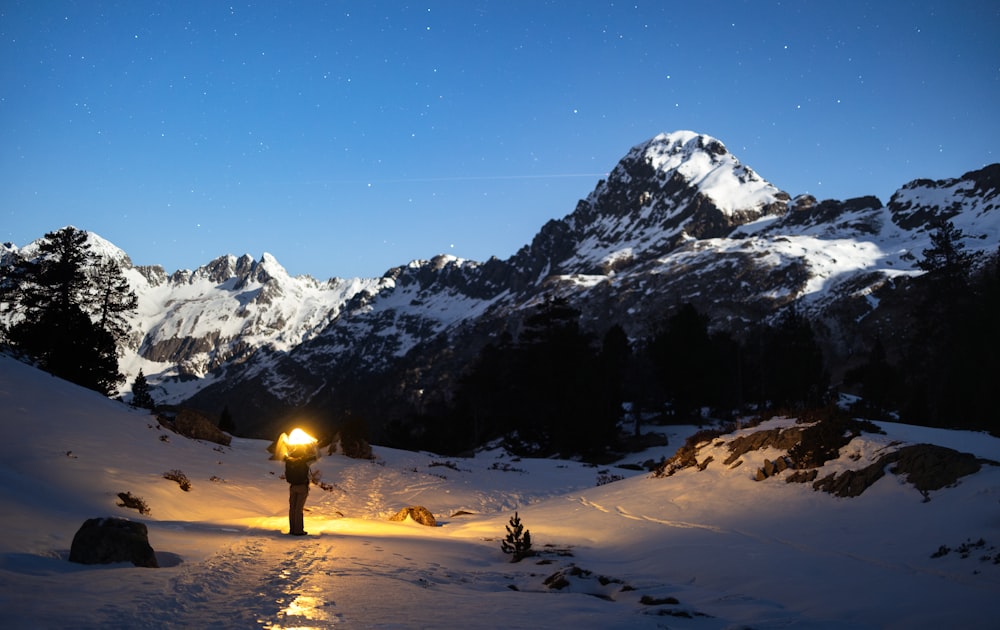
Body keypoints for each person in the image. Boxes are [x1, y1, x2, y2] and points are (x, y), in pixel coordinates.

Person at [284, 445, 315, 536]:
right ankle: (298, 530)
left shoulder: (289, 460)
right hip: (302, 486)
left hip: (292, 486)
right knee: (298, 509)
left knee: (292, 508)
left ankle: (292, 529)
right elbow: (317, 456)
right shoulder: (304, 460)